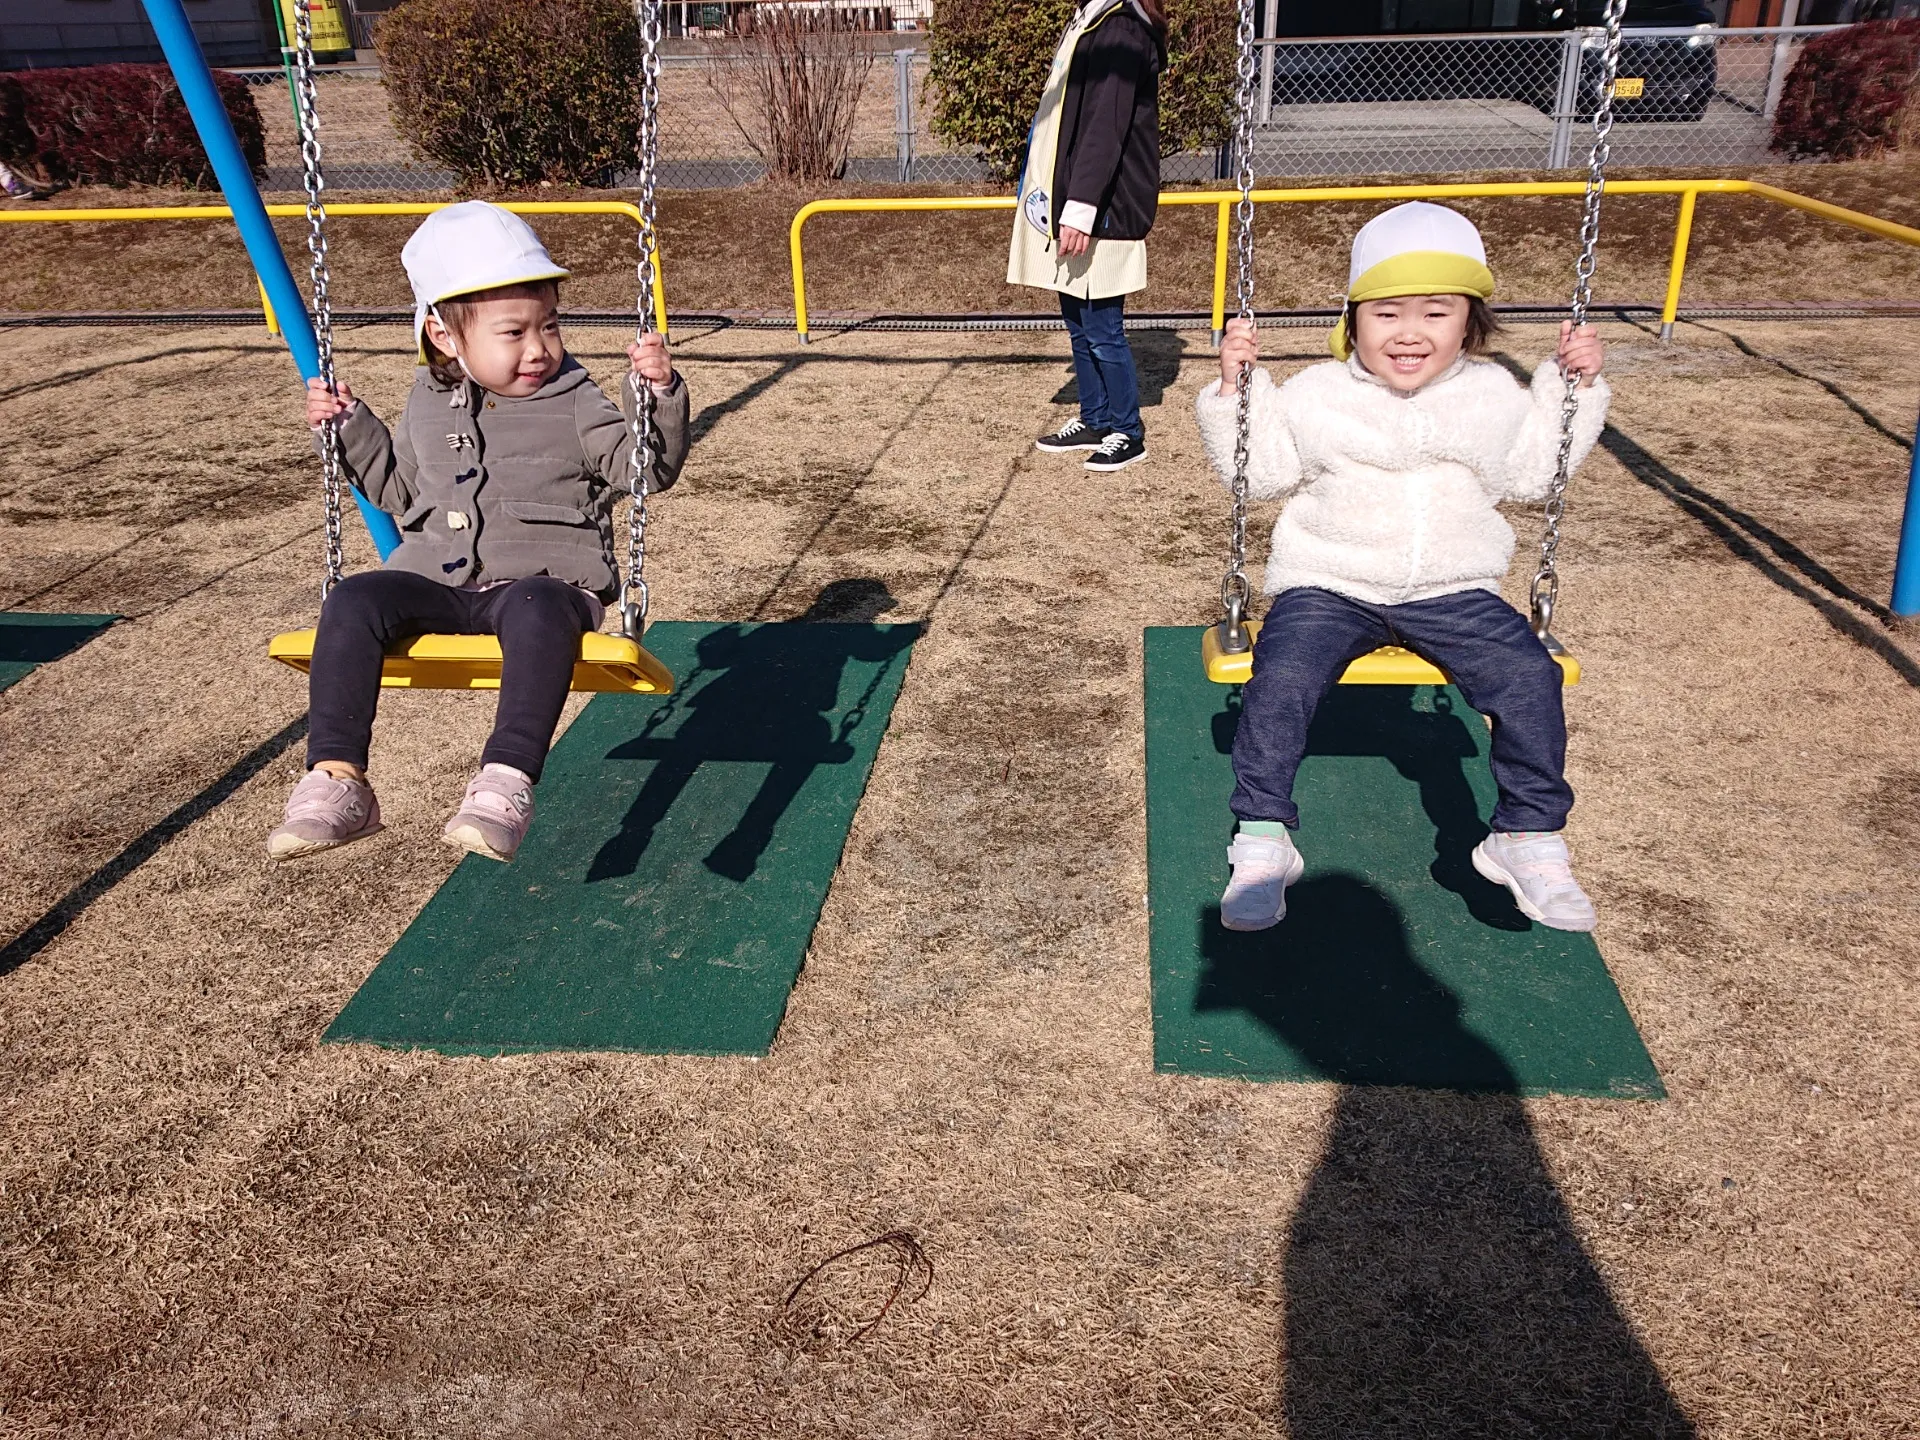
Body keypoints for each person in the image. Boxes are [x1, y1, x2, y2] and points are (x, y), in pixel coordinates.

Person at [1195, 201, 1609, 933]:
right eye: (1387, 314)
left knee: (1528, 676)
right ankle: (1262, 839)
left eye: (1436, 313)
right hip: (1331, 580)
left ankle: (1526, 836)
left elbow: (1534, 477)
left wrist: (1571, 393)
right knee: (1282, 677)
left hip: (1454, 585)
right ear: (1354, 321)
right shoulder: (1318, 395)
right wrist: (1236, 395)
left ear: (1469, 325)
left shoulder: (1492, 395)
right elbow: (1258, 477)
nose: (1410, 333)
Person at [268, 201, 691, 865]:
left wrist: (658, 397)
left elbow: (647, 469)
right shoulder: (427, 400)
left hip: (543, 584)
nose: (539, 348)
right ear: (444, 336)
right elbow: (399, 494)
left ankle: (505, 781)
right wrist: (352, 427)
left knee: (537, 604)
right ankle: (338, 780)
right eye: (514, 332)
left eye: (548, 326)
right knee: (353, 599)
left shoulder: (576, 397)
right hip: (437, 579)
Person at [1009, 0, 1165, 474]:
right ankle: (1095, 418)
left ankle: (1127, 430)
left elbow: (1105, 127)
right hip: (1080, 200)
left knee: (1101, 327)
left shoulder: (1121, 28)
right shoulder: (1093, 18)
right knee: (1078, 320)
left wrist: (1080, 208)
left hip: (1104, 206)